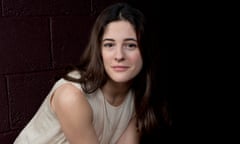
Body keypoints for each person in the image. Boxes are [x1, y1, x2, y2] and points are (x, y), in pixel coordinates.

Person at [14, 2, 170, 144]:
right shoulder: (72, 96)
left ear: (145, 51)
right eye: (109, 45)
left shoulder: (137, 94)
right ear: (99, 51)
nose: (119, 56)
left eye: (130, 45)